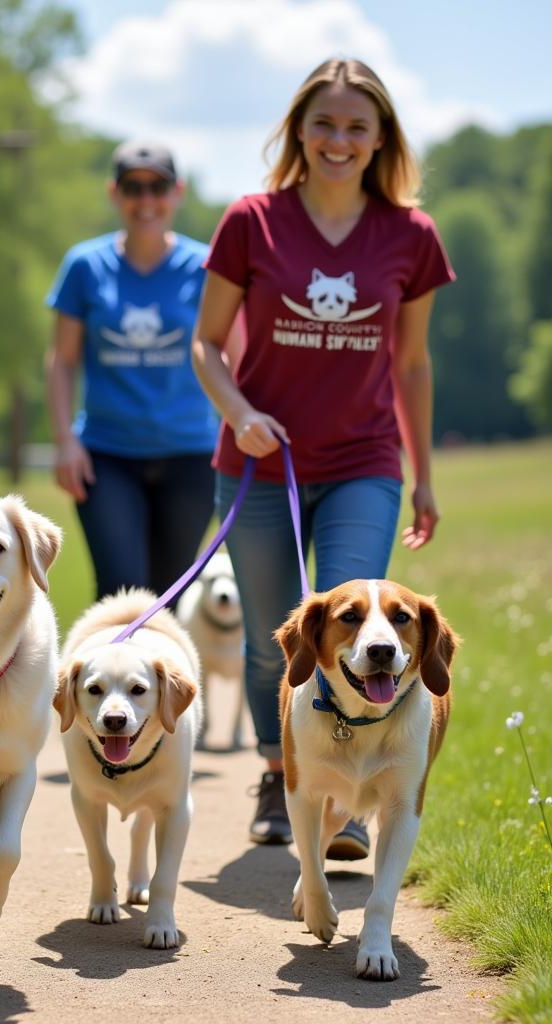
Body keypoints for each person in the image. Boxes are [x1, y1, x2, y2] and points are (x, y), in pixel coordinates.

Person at [191, 58, 454, 857]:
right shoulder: (251, 221)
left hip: (365, 463)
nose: (339, 141)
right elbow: (206, 345)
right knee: (283, 640)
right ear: (300, 131)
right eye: (325, 125)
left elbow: (410, 363)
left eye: (356, 127)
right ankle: (283, 774)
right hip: (259, 465)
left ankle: (351, 793)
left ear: (380, 140)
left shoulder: (412, 235)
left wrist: (424, 476)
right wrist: (238, 415)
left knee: (356, 628)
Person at [46, 140, 229, 603]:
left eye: (158, 187)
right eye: (133, 188)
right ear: (115, 193)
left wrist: (236, 430)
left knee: (171, 593)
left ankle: (160, 678)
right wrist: (66, 440)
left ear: (177, 192)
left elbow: (231, 359)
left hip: (191, 453)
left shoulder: (206, 266)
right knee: (120, 588)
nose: (146, 200)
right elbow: (62, 360)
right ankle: (103, 677)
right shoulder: (85, 267)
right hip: (107, 456)